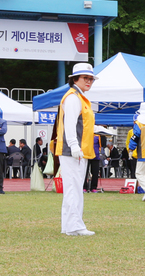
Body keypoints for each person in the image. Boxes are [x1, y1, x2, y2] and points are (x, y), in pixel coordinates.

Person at [55, 62, 98, 236]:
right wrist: (73, 145)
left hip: (79, 149)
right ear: (75, 79)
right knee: (74, 188)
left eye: (91, 79)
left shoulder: (79, 97)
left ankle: (68, 226)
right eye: (85, 78)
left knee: (72, 188)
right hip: (74, 150)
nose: (89, 81)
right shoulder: (73, 97)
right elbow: (69, 124)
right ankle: (75, 226)